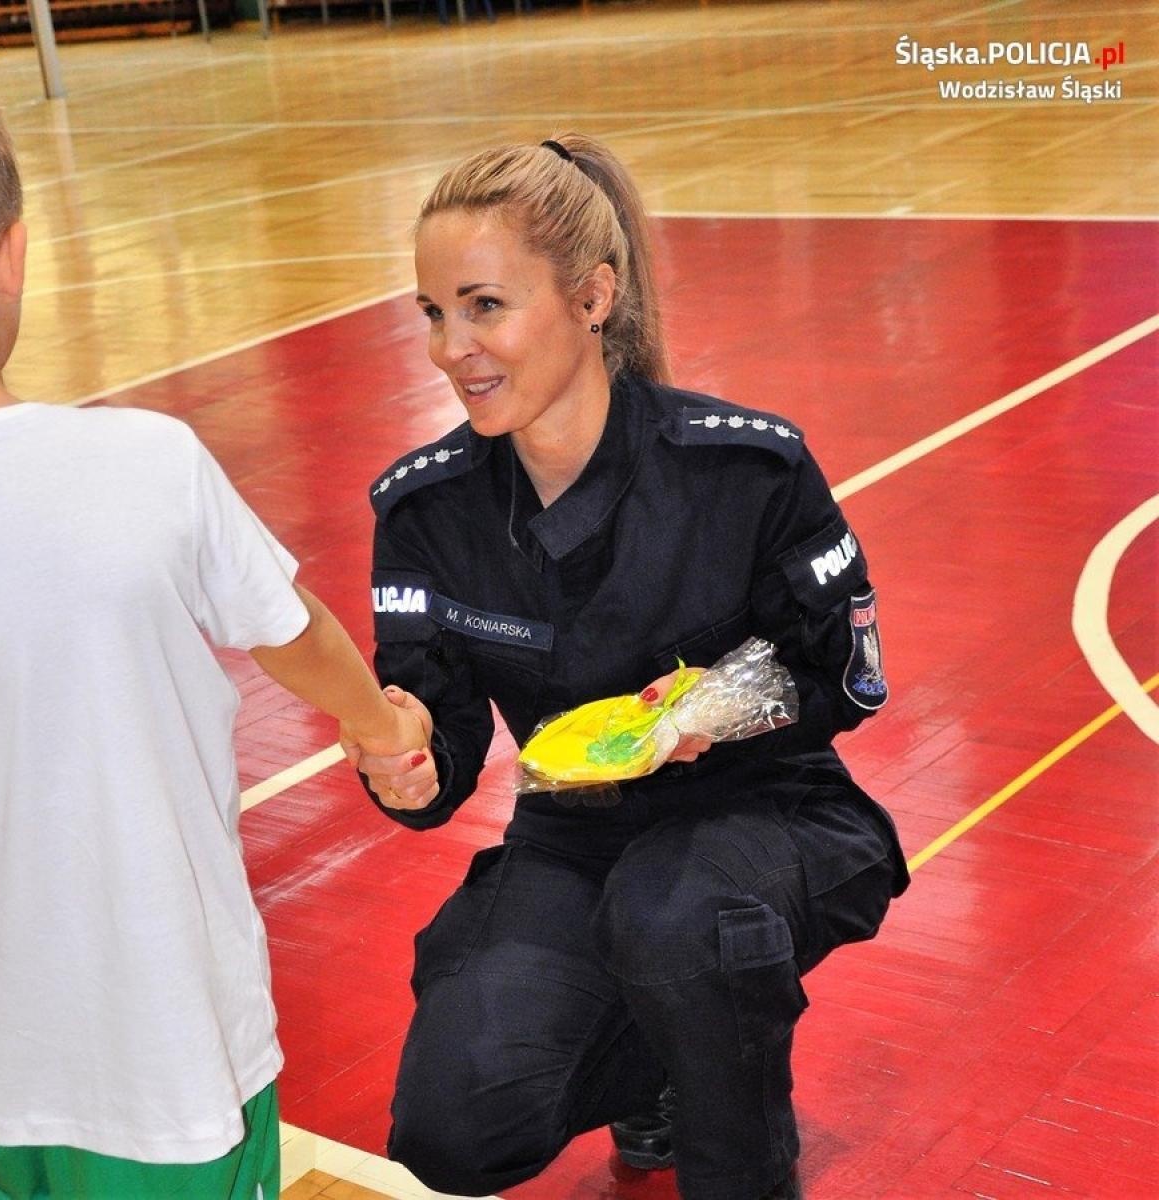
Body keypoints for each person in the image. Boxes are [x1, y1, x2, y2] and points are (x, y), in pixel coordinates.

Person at [0, 37, 427, 1198]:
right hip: (175, 1073)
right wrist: (378, 723)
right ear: (12, 255)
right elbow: (292, 630)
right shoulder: (149, 466)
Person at [345, 134, 909, 1200]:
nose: (447, 347)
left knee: (679, 917)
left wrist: (721, 704)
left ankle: (738, 1140)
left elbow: (845, 675)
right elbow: (444, 730)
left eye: (483, 306)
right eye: (430, 312)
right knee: (453, 1128)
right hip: (573, 839)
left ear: (594, 296)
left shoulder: (745, 469)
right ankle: (661, 1055)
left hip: (768, 814)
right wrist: (411, 760)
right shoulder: (427, 512)